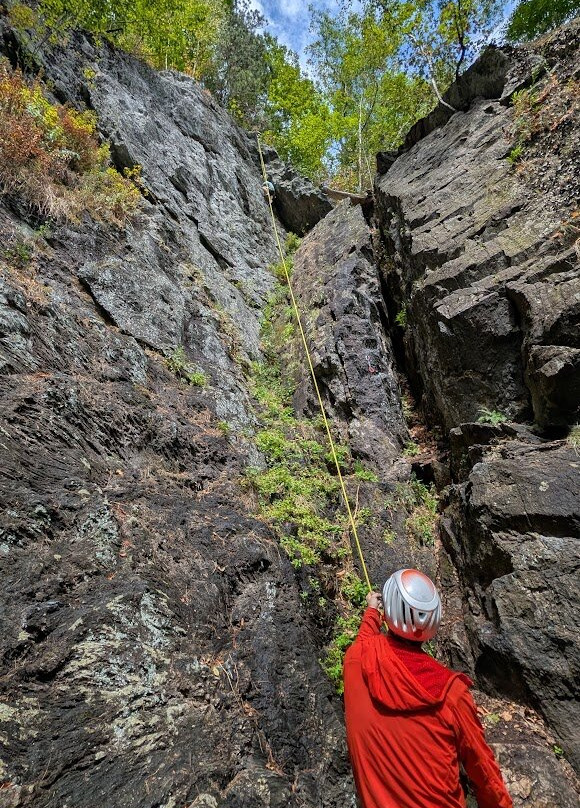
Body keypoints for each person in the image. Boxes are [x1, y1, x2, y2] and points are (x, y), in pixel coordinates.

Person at [343, 568, 513, 808]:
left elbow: (364, 641)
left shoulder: (356, 661)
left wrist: (372, 611)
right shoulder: (451, 694)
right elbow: (484, 773)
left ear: (389, 611)